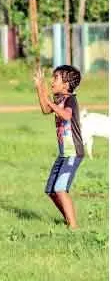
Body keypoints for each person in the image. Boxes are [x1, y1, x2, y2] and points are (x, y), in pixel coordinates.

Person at [34, 65, 84, 230]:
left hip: (73, 153)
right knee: (51, 190)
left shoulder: (70, 99)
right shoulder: (59, 99)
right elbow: (45, 109)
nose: (52, 81)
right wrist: (40, 88)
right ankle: (68, 220)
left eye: (55, 78)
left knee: (61, 189)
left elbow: (66, 115)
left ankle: (74, 227)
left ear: (66, 84)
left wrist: (49, 100)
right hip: (64, 154)